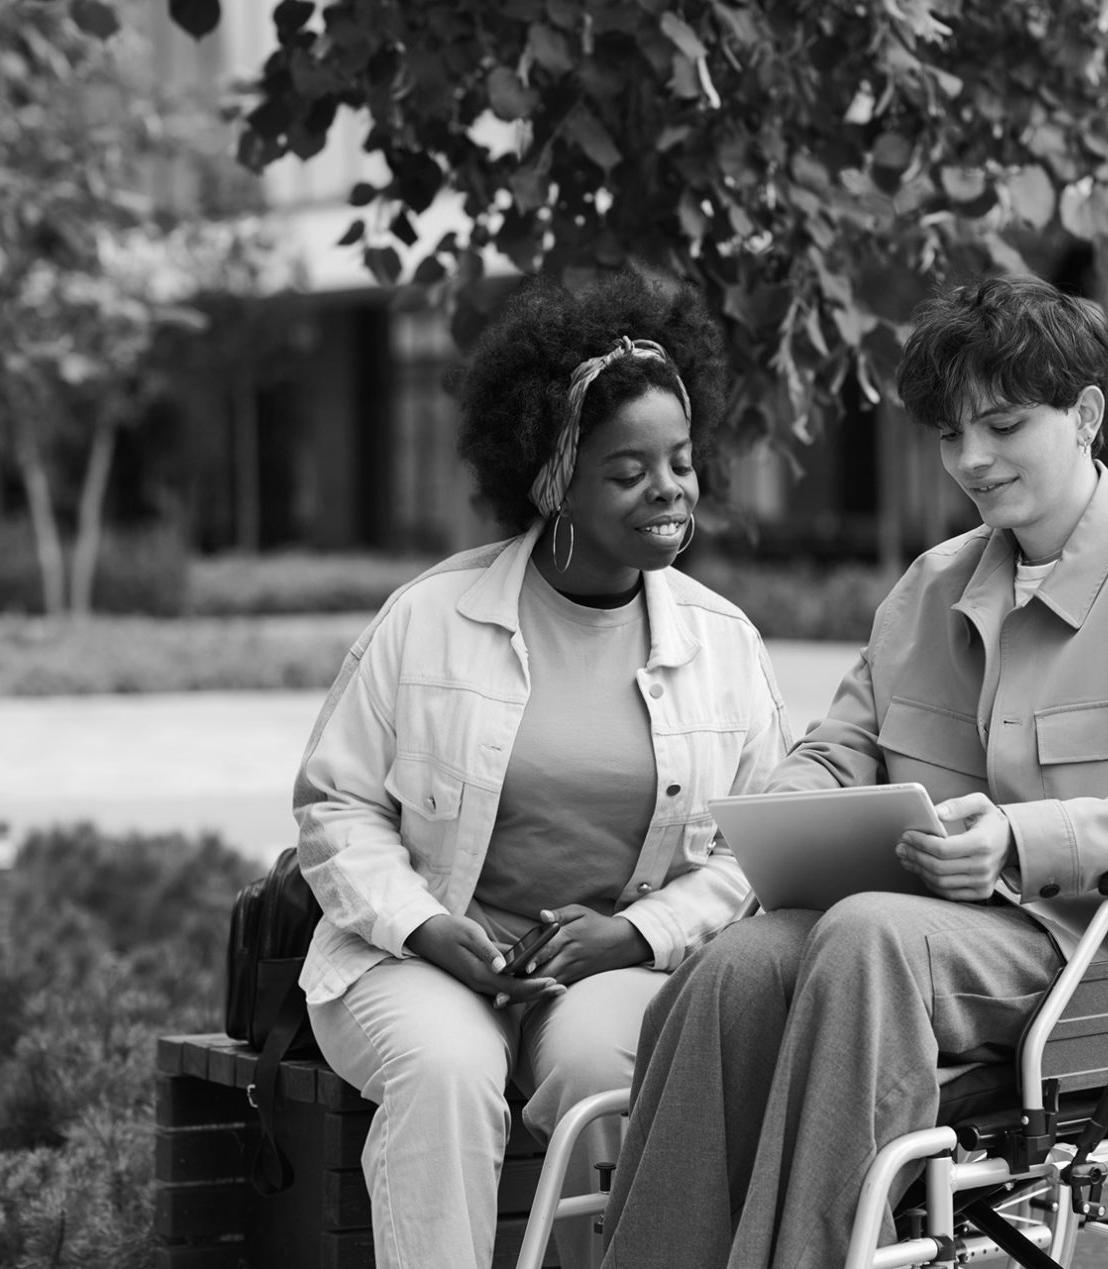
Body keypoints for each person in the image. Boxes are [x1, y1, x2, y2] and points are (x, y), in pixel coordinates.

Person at [599, 273, 1108, 1269]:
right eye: (949, 434)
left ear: (1086, 414)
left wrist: (1022, 840)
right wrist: (788, 809)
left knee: (866, 935)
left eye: (1005, 425)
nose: (972, 458)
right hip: (933, 940)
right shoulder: (929, 590)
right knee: (740, 964)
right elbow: (841, 746)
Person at [292, 271, 793, 1269]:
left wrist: (631, 933)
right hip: (416, 959)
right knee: (446, 1069)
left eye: (683, 462)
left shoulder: (724, 645)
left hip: (609, 967)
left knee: (620, 1067)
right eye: (629, 470)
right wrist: (430, 929)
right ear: (554, 475)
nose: (670, 489)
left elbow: (760, 845)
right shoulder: (430, 620)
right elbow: (336, 807)